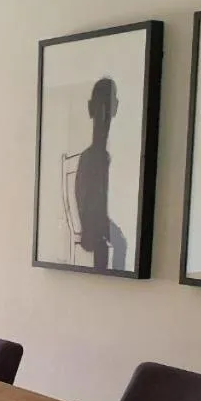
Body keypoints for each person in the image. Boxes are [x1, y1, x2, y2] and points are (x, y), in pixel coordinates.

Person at [74, 77, 126, 272]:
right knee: (108, 244)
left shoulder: (109, 156)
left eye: (107, 106)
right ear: (91, 109)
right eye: (100, 107)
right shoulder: (90, 157)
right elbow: (81, 195)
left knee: (118, 243)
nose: (103, 114)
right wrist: (86, 226)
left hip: (101, 222)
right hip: (91, 223)